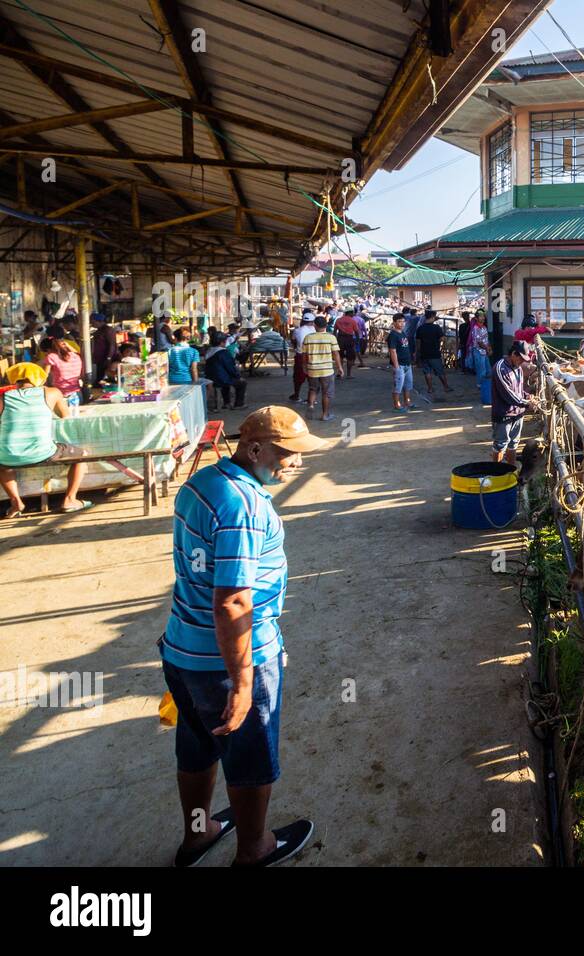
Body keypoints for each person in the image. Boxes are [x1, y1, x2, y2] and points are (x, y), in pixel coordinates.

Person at [163, 406, 325, 867]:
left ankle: (199, 834)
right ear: (254, 448)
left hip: (183, 651)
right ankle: (255, 848)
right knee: (249, 756)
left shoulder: (200, 484)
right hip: (230, 659)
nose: (295, 462)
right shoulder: (245, 506)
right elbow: (233, 601)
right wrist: (243, 680)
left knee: (196, 748)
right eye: (287, 453)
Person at [0, 362, 91, 517]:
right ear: (40, 378)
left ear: (14, 380)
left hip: (8, 454)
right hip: (43, 452)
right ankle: (70, 499)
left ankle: (16, 503)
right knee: (82, 455)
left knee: (3, 464)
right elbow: (65, 415)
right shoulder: (51, 392)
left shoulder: (3, 397)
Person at [491, 342, 537, 466]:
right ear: (513, 354)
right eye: (521, 358)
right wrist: (527, 404)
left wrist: (528, 397)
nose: (522, 361)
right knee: (500, 444)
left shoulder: (518, 368)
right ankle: (497, 473)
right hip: (504, 414)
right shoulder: (500, 368)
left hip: (518, 413)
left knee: (514, 443)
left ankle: (511, 471)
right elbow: (508, 394)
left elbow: (519, 390)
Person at [302, 316, 342, 422]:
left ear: (314, 325)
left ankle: (311, 405)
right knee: (326, 393)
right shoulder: (331, 337)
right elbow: (336, 354)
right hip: (327, 370)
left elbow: (304, 355)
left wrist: (304, 367)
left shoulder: (308, 338)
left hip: (312, 369)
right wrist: (340, 367)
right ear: (326, 326)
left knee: (313, 389)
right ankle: (325, 415)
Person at [204, 334, 248, 410]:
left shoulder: (209, 351)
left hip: (210, 377)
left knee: (226, 383)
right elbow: (230, 367)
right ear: (221, 342)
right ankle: (238, 404)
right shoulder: (223, 352)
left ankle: (226, 403)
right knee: (242, 383)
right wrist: (238, 376)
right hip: (221, 379)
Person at [38, 335, 84, 405]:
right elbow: (77, 353)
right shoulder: (75, 356)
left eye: (45, 352)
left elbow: (44, 376)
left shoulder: (51, 357)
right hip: (77, 394)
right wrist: (67, 346)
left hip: (61, 395)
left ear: (48, 350)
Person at [416, 314, 453, 397]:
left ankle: (430, 388)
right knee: (440, 371)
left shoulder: (420, 328)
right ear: (433, 318)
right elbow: (442, 338)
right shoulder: (436, 328)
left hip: (424, 353)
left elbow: (418, 342)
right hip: (434, 353)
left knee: (427, 372)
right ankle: (446, 387)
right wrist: (439, 342)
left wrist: (418, 353)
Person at [388, 313, 415, 412]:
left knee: (408, 384)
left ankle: (407, 401)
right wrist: (396, 366)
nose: (402, 323)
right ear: (394, 322)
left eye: (403, 321)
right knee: (398, 385)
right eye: (399, 321)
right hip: (400, 365)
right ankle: (397, 404)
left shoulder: (403, 333)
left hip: (407, 363)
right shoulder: (393, 335)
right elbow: (392, 351)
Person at [288, 315, 313, 403]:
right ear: (312, 321)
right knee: (313, 377)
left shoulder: (297, 330)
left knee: (298, 377)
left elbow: (293, 341)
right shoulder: (316, 330)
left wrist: (296, 346)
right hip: (313, 356)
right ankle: (312, 399)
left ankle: (296, 395)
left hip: (301, 355)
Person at [333, 308, 361, 379]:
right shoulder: (352, 321)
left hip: (340, 339)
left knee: (340, 356)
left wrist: (335, 340)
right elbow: (357, 332)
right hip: (349, 339)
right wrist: (357, 341)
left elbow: (335, 331)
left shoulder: (338, 320)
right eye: (352, 313)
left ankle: (340, 373)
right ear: (350, 313)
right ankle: (349, 374)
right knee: (350, 357)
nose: (353, 314)